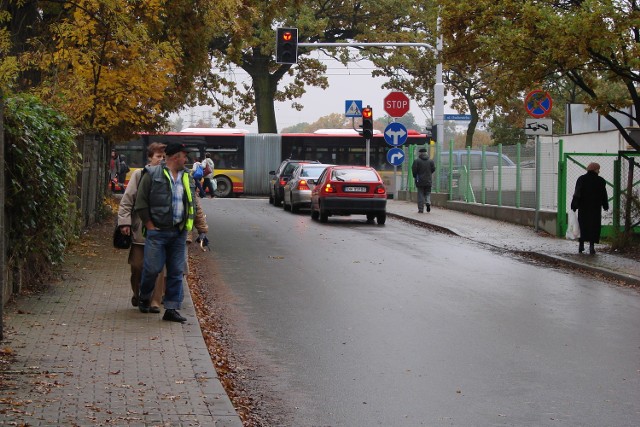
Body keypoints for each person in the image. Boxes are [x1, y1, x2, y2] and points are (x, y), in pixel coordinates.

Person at [134, 143, 198, 323]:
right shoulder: (152, 174)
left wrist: (192, 228)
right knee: (152, 269)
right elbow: (141, 201)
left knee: (176, 271)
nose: (187, 160)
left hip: (178, 233)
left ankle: (171, 308)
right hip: (157, 233)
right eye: (184, 156)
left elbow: (192, 203)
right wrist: (150, 224)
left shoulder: (187, 177)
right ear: (175, 157)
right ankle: (144, 295)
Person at [117, 143, 167, 312]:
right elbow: (127, 200)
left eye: (163, 157)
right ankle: (138, 294)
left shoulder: (168, 175)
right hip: (140, 230)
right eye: (158, 156)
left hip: (160, 230)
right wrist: (125, 222)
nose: (161, 160)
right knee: (137, 266)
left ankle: (154, 301)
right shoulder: (139, 175)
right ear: (150, 158)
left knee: (159, 268)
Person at [570, 162, 609, 254]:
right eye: (598, 169)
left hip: (583, 207)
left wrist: (574, 205)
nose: (599, 171)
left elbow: (577, 193)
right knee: (593, 226)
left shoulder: (581, 179)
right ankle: (592, 247)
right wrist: (605, 205)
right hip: (595, 208)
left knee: (582, 226)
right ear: (595, 170)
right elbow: (604, 194)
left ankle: (581, 245)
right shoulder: (601, 181)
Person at [411, 147, 436, 213]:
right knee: (427, 193)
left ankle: (421, 209)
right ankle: (428, 202)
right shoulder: (431, 161)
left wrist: (415, 176)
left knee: (420, 195)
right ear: (426, 153)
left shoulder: (417, 161)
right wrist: (429, 174)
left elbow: (414, 170)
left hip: (419, 181)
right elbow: (433, 169)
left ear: (420, 153)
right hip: (428, 180)